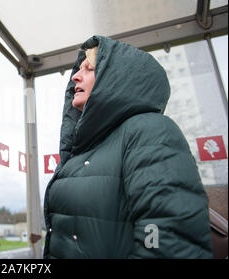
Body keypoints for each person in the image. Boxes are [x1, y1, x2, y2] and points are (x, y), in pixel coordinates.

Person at [43, 35, 213, 258]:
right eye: (79, 69)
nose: (75, 76)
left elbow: (167, 237)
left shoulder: (150, 131)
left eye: (88, 68)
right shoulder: (84, 148)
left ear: (113, 78)